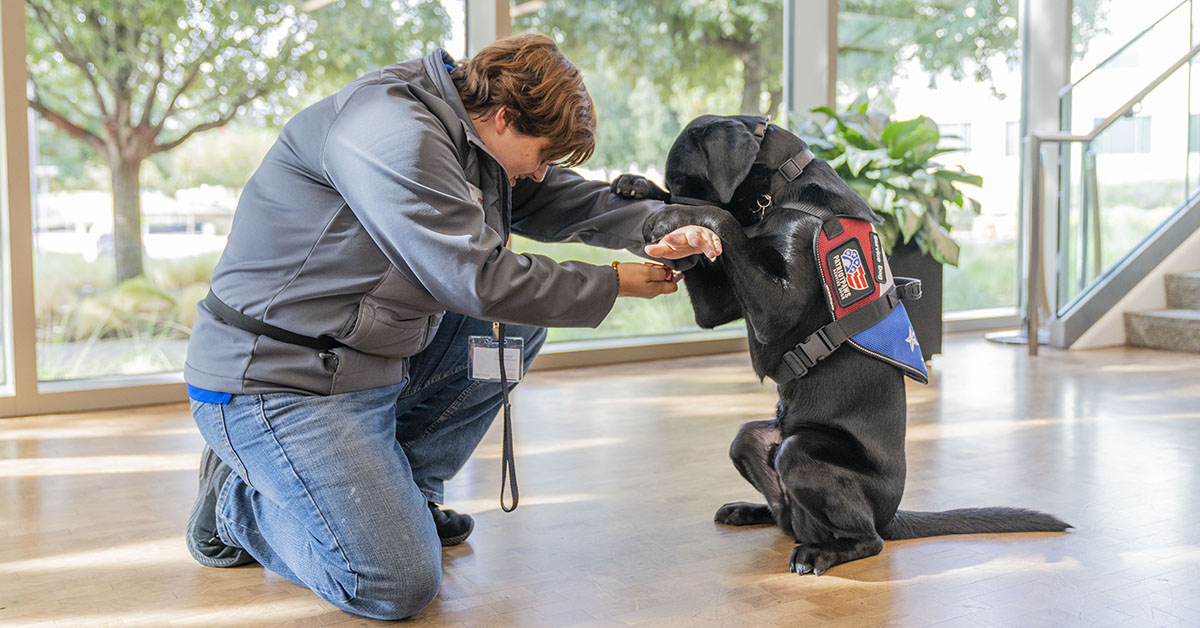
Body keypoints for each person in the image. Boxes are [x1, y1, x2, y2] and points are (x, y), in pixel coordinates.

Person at [183, 32, 722, 620]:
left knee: (513, 330)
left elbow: (556, 202)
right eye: (542, 154)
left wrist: (660, 225)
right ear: (504, 118)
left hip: (363, 358)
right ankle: (235, 503)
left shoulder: (465, 134)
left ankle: (405, 497)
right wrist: (613, 282)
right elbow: (475, 280)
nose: (542, 173)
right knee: (393, 584)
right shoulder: (392, 133)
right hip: (279, 380)